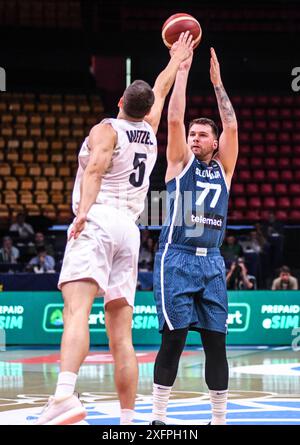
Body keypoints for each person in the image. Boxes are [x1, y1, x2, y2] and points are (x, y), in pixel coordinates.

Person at [35, 32, 194, 425]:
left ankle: (63, 397)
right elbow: (159, 87)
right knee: (121, 335)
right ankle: (127, 419)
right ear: (145, 108)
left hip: (101, 219)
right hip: (131, 228)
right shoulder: (149, 131)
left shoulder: (106, 128)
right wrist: (177, 60)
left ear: (120, 102)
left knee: (76, 312)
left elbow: (94, 170)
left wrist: (82, 215)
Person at [151, 47, 238, 425]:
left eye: (202, 134)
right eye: (192, 133)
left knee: (216, 344)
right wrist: (183, 71)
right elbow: (173, 118)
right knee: (174, 340)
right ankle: (158, 418)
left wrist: (218, 83)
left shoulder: (223, 169)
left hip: (213, 264)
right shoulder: (178, 164)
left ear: (215, 143)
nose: (195, 138)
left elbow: (231, 126)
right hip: (178, 258)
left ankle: (218, 420)